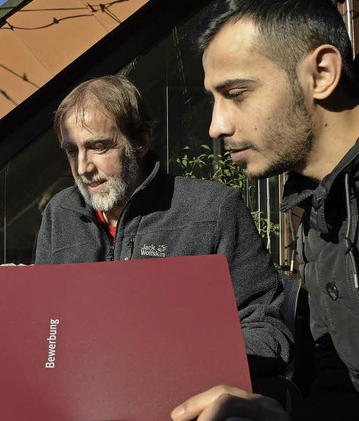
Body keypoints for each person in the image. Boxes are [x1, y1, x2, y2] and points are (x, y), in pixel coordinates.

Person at [171, 0, 359, 421]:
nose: (215, 125)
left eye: (235, 94)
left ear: (321, 74)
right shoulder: (318, 211)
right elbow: (341, 388)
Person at [34, 75, 292, 377]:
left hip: (186, 403)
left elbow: (266, 330)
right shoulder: (60, 213)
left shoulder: (213, 209)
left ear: (141, 141)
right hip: (79, 403)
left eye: (99, 147)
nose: (83, 167)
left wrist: (194, 372)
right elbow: (46, 325)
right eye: (71, 151)